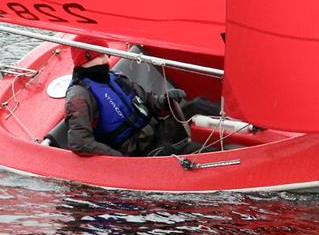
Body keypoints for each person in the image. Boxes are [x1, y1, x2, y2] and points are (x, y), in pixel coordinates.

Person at [64, 35, 212, 157]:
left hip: (157, 132)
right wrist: (118, 159)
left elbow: (151, 103)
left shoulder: (116, 78)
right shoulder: (79, 96)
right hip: (140, 152)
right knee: (203, 153)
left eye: (106, 55)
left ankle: (234, 123)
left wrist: (166, 100)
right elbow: (80, 142)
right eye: (101, 56)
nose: (106, 61)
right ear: (86, 59)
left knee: (198, 105)